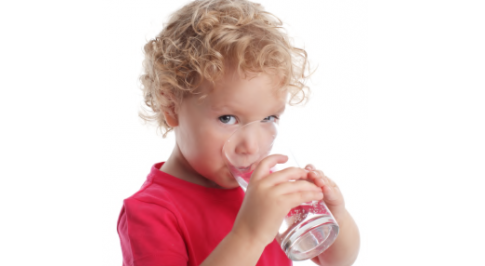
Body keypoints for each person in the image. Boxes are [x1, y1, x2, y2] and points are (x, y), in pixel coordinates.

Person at [117, 0, 360, 265]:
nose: (251, 147)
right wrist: (250, 234)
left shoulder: (266, 187)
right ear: (171, 107)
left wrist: (337, 217)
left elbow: (333, 260)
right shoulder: (151, 213)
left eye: (268, 118)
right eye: (227, 118)